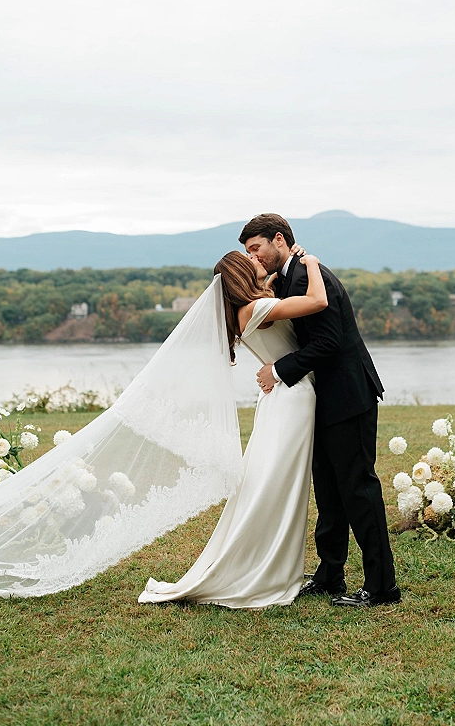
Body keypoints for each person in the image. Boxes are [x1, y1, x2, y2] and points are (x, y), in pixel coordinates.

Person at [137, 249, 328, 608]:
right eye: (251, 259)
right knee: (279, 487)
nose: (257, 259)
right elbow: (318, 300)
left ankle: (271, 562)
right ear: (242, 273)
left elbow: (271, 294)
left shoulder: (250, 308)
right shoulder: (255, 310)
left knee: (271, 483)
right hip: (294, 397)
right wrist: (312, 263)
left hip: (282, 396)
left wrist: (272, 280)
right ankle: (266, 568)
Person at [240, 213, 400, 608]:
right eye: (248, 253)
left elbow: (328, 343)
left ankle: (382, 588)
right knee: (329, 493)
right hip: (324, 401)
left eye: (256, 249)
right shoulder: (292, 277)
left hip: (348, 397)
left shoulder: (315, 277)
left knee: (358, 490)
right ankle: (330, 575)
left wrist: (277, 371)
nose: (254, 259)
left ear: (279, 240)